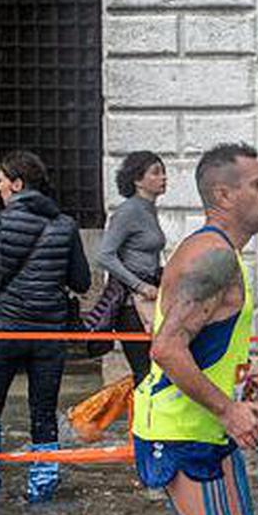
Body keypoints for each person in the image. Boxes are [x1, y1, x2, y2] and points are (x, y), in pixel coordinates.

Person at [31, 143, 258, 515]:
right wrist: (228, 408)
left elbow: (207, 340)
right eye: (257, 185)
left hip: (206, 423)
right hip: (179, 426)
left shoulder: (223, 255)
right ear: (224, 195)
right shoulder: (211, 258)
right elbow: (165, 349)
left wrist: (238, 386)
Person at [0, 150, 92, 506]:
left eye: (2, 180)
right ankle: (42, 486)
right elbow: (81, 281)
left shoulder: (0, 222)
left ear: (18, 184)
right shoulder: (65, 225)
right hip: (49, 333)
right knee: (43, 408)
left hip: (4, 328)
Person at [96, 151, 169, 384]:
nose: (164, 177)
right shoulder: (128, 211)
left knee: (156, 369)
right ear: (138, 180)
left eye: (163, 172)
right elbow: (105, 255)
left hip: (149, 299)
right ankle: (142, 420)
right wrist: (139, 285)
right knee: (144, 371)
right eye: (156, 172)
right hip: (131, 304)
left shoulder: (149, 209)